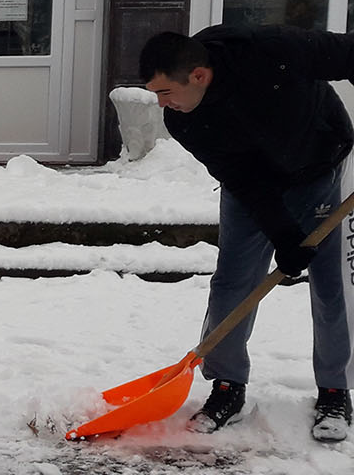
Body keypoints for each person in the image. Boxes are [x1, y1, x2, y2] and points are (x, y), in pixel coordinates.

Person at [140, 25, 354, 442]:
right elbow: (242, 178)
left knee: (331, 285)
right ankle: (227, 385)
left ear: (199, 75)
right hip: (253, 187)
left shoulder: (273, 49)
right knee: (232, 283)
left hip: (319, 168)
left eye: (166, 92)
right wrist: (283, 234)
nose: (161, 104)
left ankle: (334, 389)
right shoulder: (183, 121)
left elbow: (349, 52)